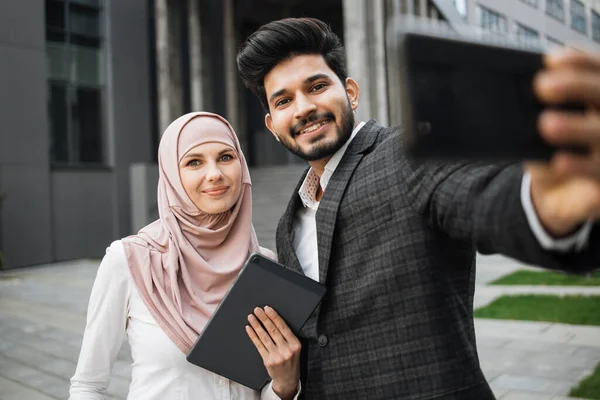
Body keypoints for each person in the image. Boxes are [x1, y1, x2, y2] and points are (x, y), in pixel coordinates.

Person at [236, 17, 600, 399]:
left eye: (317, 86)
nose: (304, 108)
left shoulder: (411, 156)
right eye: (283, 100)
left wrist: (549, 209)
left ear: (351, 93)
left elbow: (485, 196)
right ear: (272, 125)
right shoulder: (286, 225)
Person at [69, 112, 301, 400]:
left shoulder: (264, 265)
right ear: (171, 175)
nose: (215, 173)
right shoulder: (130, 260)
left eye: (226, 157)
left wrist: (284, 385)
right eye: (194, 162)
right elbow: (87, 387)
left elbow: (257, 389)